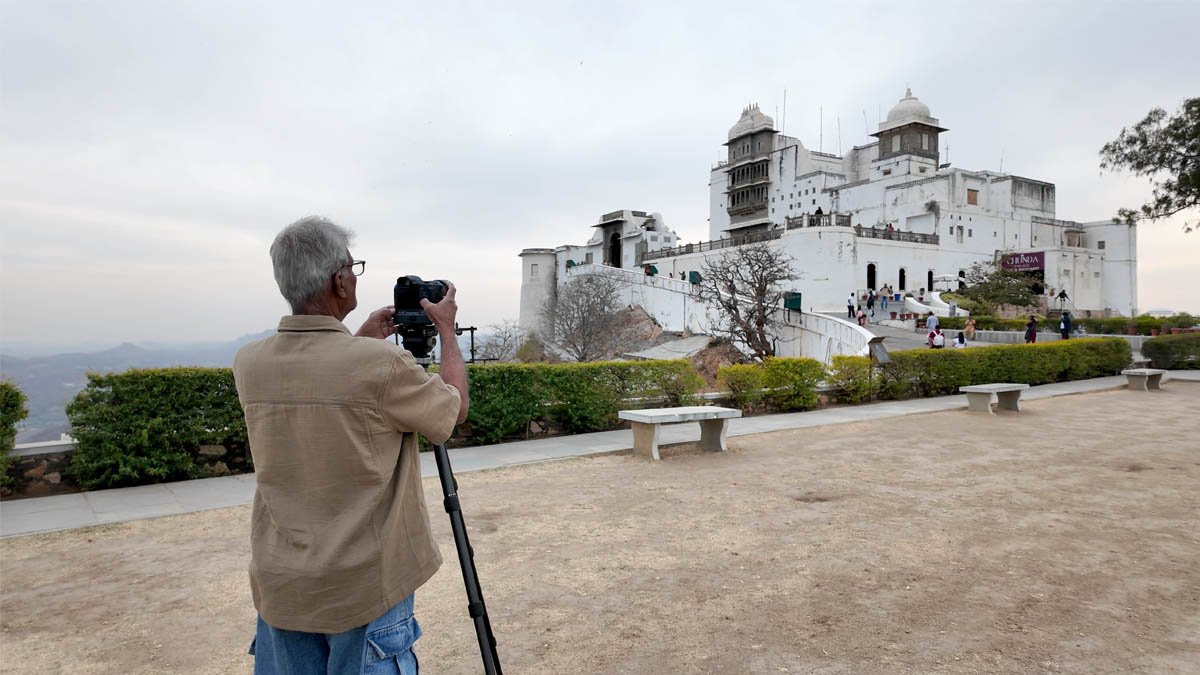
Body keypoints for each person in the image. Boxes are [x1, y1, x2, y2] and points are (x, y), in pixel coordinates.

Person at [233, 216, 469, 674]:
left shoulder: (250, 363)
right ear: (340, 280)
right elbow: (453, 409)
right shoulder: (381, 365)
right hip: (362, 584)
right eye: (352, 269)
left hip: (281, 583)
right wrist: (446, 331)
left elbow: (323, 381)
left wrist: (359, 339)